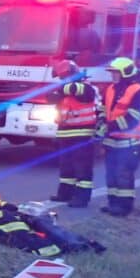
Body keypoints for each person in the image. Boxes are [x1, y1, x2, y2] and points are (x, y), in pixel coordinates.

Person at [47, 59, 102, 208]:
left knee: (82, 169)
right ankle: (65, 194)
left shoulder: (87, 88)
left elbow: (72, 89)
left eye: (63, 77)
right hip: (66, 134)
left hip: (82, 135)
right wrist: (59, 90)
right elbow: (49, 97)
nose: (61, 80)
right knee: (66, 168)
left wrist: (60, 89)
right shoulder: (66, 88)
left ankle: (82, 198)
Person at [100, 56, 140, 217]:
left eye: (115, 72)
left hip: (129, 142)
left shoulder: (138, 91)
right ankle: (113, 203)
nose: (113, 75)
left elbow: (133, 117)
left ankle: (124, 206)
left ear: (125, 73)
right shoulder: (111, 89)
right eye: (112, 72)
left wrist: (109, 127)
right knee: (111, 173)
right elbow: (103, 109)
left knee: (124, 174)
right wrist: (100, 124)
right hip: (111, 141)